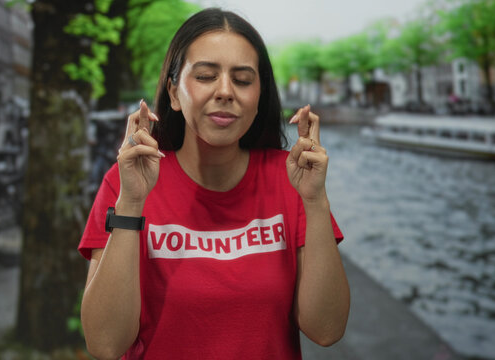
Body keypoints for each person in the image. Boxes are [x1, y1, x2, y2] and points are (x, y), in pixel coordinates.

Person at [78, 8, 350, 359]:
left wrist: (315, 202)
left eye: (242, 79)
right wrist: (131, 202)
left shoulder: (292, 179)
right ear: (174, 93)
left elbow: (326, 329)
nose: (225, 91)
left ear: (259, 97)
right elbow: (104, 343)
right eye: (206, 76)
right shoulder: (127, 182)